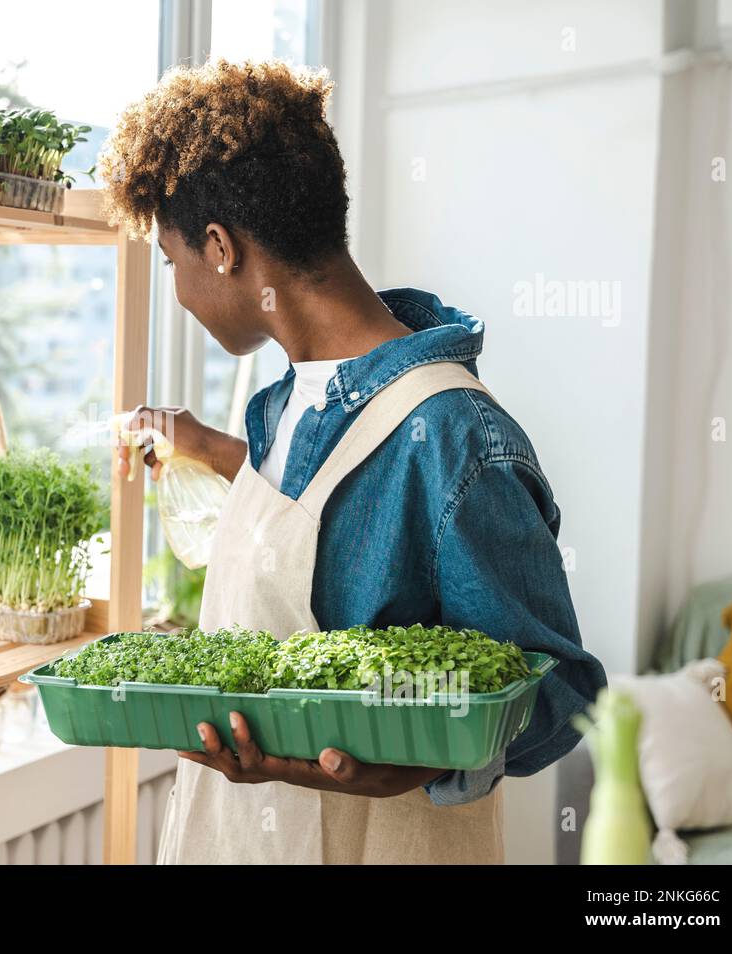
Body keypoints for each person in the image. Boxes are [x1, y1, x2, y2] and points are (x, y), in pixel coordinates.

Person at [99, 60, 607, 864]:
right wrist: (210, 449)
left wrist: (420, 760)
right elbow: (329, 523)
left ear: (222, 248)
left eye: (171, 261)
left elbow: (563, 690)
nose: (179, 290)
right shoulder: (291, 398)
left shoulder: (454, 435)